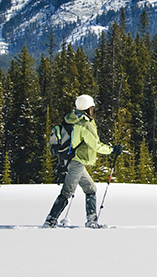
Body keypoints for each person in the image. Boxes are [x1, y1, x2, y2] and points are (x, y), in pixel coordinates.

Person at [44, 94, 121, 228]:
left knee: (90, 188)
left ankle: (92, 220)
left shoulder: (70, 118)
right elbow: (95, 145)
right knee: (67, 191)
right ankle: (51, 220)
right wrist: (112, 150)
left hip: (69, 159)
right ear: (88, 108)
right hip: (77, 161)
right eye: (92, 107)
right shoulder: (85, 124)